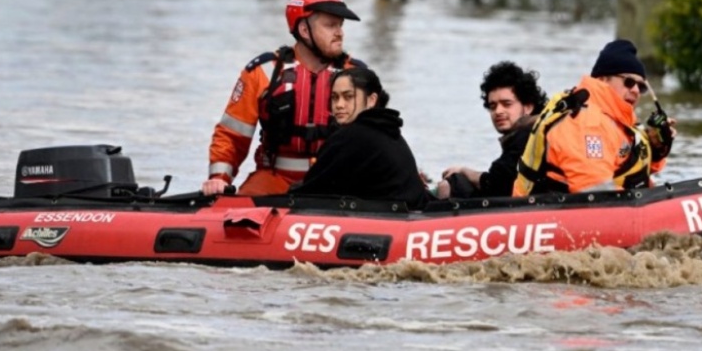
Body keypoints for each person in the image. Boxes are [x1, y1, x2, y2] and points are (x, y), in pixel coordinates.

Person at [202, 0, 365, 196]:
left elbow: (381, 135)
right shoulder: (263, 72)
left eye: (340, 26)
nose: (340, 33)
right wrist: (218, 179)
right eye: (330, 25)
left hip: (336, 179)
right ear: (304, 30)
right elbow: (232, 135)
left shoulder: (357, 75)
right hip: (274, 178)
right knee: (237, 215)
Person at [513, 38, 677, 195]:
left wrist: (656, 148)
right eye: (629, 82)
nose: (635, 90)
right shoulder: (587, 123)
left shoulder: (615, 121)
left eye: (640, 86)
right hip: (547, 213)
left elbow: (629, 163)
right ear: (603, 79)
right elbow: (595, 192)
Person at [289, 68, 433, 210]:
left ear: (371, 100)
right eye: (334, 97)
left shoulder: (351, 137)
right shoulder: (388, 130)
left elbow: (309, 192)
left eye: (348, 97)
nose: (339, 105)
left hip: (392, 220)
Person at [439, 61, 548, 198]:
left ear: (528, 107)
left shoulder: (526, 137)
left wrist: (464, 171)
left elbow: (495, 184)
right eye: (493, 106)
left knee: (452, 185)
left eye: (506, 104)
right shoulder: (536, 131)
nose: (498, 111)